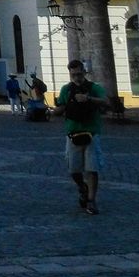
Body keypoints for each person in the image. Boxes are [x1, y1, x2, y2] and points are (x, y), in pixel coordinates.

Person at [56, 59, 107, 215]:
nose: (77, 77)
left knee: (92, 169)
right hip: (73, 134)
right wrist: (53, 111)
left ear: (84, 72)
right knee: (74, 170)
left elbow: (105, 102)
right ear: (70, 74)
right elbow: (62, 106)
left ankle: (91, 200)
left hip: (91, 133)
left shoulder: (94, 88)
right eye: (73, 75)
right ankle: (81, 186)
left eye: (79, 74)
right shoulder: (66, 89)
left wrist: (89, 99)